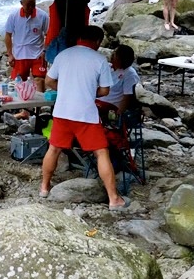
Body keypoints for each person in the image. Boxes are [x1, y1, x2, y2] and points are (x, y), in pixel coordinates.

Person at [39, 25, 128, 210]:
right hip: (86, 114)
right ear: (97, 42)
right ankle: (113, 198)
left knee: (54, 149)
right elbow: (105, 90)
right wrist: (88, 91)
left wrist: (65, 89)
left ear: (79, 37)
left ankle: (44, 188)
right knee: (101, 152)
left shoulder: (63, 55)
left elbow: (48, 81)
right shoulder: (99, 60)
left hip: (62, 112)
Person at [4, 0, 48, 90]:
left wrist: (45, 51)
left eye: (33, 5)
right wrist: (10, 54)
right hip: (20, 55)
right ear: (21, 3)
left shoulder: (43, 16)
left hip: (38, 54)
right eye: (28, 5)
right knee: (19, 82)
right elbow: (8, 35)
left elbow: (48, 34)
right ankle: (22, 104)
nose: (31, 8)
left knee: (40, 80)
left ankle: (39, 105)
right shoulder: (13, 16)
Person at [96, 44, 140, 120]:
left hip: (111, 105)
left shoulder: (129, 74)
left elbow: (127, 97)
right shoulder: (108, 67)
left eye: (115, 53)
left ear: (121, 58)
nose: (112, 55)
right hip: (98, 101)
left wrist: (118, 114)